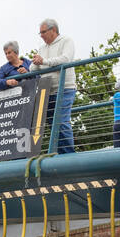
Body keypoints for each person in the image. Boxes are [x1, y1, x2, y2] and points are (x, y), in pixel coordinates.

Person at [31, 18, 77, 153]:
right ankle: (59, 153)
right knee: (52, 124)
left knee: (61, 121)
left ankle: (69, 155)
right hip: (47, 90)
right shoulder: (41, 48)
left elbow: (65, 59)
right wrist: (38, 62)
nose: (41, 35)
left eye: (43, 32)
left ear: (53, 30)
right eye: (40, 33)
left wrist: (43, 61)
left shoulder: (66, 40)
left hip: (64, 87)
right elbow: (33, 68)